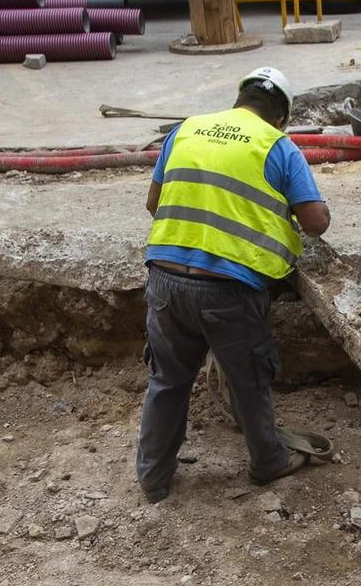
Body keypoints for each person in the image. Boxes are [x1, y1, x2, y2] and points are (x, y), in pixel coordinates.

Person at [135, 67, 330, 502]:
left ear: (239, 99)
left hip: (165, 279)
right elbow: (315, 223)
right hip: (231, 289)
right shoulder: (277, 145)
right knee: (248, 380)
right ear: (282, 117)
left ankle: (152, 478)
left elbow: (154, 203)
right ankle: (268, 462)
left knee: (166, 381)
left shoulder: (185, 131)